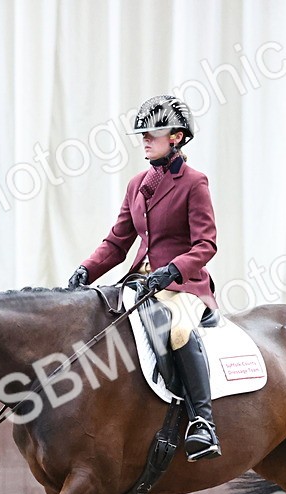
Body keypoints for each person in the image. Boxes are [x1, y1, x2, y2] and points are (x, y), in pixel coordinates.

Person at [68, 94, 221, 461]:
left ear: (177, 137)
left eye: (153, 133)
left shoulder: (194, 182)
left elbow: (206, 244)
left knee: (178, 330)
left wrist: (173, 269)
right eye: (143, 134)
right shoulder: (138, 184)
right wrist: (86, 270)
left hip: (183, 286)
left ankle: (203, 422)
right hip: (139, 284)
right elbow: (117, 242)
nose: (145, 140)